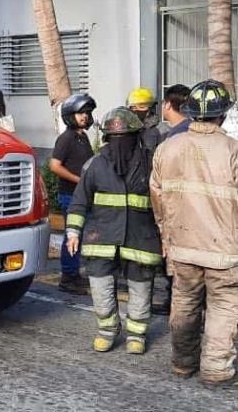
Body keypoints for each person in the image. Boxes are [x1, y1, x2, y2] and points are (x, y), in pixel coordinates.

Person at [150, 80, 238, 387]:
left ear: (190, 113)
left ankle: (183, 363)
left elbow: (157, 199)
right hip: (225, 251)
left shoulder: (166, 148)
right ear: (223, 115)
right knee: (224, 306)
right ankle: (215, 369)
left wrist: (167, 236)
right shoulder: (233, 150)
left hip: (182, 247)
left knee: (185, 303)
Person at [66, 107, 162, 355]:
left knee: (141, 288)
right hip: (101, 239)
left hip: (140, 239)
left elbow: (164, 202)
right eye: (115, 138)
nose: (120, 143)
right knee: (100, 288)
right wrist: (73, 231)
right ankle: (107, 330)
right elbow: (79, 201)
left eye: (126, 138)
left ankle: (137, 334)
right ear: (107, 138)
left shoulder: (151, 165)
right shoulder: (95, 165)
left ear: (136, 137)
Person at [50, 93, 96, 294]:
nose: (85, 117)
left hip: (82, 195)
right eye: (80, 113)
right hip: (71, 195)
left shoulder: (82, 137)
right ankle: (68, 277)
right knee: (72, 235)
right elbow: (54, 166)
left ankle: (75, 274)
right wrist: (79, 180)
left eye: (87, 113)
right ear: (70, 115)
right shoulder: (66, 138)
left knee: (79, 235)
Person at [150, 84, 190, 316]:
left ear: (167, 105)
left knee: (175, 262)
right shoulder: (195, 130)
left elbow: (160, 183)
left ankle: (176, 303)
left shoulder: (173, 137)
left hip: (176, 211)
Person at [127, 86, 162, 152]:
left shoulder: (161, 130)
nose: (136, 110)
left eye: (142, 107)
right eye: (133, 107)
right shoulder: (127, 129)